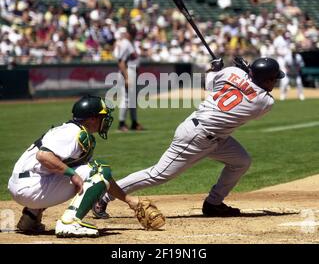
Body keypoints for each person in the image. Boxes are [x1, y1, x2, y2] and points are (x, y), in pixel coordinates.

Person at [92, 57, 285, 218]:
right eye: (273, 80)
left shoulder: (231, 73)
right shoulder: (264, 102)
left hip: (217, 137)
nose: (275, 83)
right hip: (197, 136)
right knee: (158, 174)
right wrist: (245, 73)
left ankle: (213, 203)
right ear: (266, 80)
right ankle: (104, 196)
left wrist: (217, 69)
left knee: (241, 161)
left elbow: (208, 82)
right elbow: (252, 89)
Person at [8, 95, 141, 237]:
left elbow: (103, 179)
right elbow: (43, 156)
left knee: (93, 171)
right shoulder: (72, 133)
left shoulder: (72, 130)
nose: (106, 120)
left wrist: (128, 200)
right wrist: (72, 174)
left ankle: (31, 217)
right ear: (92, 118)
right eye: (102, 116)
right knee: (99, 170)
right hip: (30, 188)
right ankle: (70, 222)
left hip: (24, 184)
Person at [114, 25, 144, 132]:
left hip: (132, 71)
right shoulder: (125, 44)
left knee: (132, 100)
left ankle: (134, 123)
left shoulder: (130, 43)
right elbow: (121, 61)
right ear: (127, 33)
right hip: (127, 72)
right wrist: (126, 77)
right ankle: (121, 124)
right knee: (126, 99)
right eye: (132, 32)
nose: (132, 34)